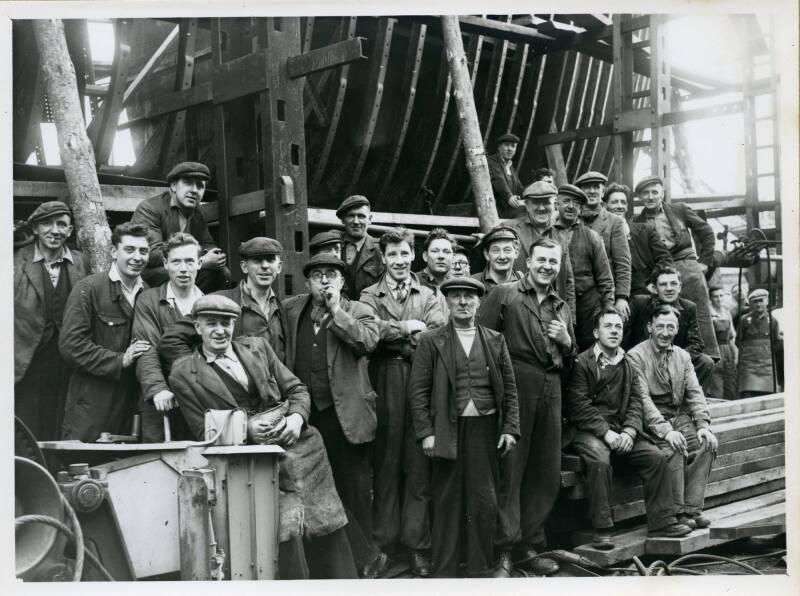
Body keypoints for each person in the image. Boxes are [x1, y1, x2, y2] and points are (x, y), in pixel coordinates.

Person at [167, 295, 356, 579]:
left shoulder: (257, 347)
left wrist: (296, 418)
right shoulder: (183, 373)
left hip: (301, 449)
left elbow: (297, 389)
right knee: (284, 525)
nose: (220, 331)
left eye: (226, 323)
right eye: (211, 324)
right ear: (198, 327)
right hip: (252, 462)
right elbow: (201, 429)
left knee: (326, 520)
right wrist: (246, 429)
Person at [281, 253, 388, 579]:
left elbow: (367, 342)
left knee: (353, 490)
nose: (324, 281)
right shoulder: (292, 310)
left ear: (342, 282)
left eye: (331, 275)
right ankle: (343, 563)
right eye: (317, 275)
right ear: (307, 282)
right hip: (308, 418)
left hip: (348, 416)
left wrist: (336, 311)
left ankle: (366, 561)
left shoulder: (360, 310)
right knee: (317, 492)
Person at [409, 277, 519, 578]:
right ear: (447, 302)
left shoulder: (495, 340)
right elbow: (418, 392)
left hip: (486, 428)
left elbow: (509, 388)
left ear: (478, 303)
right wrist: (426, 433)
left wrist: (510, 428)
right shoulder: (431, 341)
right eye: (456, 297)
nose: (462, 302)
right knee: (447, 499)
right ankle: (444, 571)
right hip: (447, 428)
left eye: (469, 297)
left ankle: (480, 569)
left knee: (484, 500)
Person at [479, 237, 576, 577]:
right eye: (542, 260)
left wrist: (567, 341)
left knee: (545, 470)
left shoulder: (561, 306)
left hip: (552, 387)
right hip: (516, 384)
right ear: (529, 260)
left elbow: (571, 360)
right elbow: (483, 343)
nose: (547, 266)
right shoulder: (504, 294)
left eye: (554, 261)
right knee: (512, 468)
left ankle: (529, 545)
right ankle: (503, 549)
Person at [564, 310, 692, 549]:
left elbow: (636, 403)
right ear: (595, 332)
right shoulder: (582, 363)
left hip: (622, 430)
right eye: (608, 326)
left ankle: (662, 522)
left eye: (618, 327)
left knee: (655, 457)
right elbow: (578, 406)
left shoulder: (628, 363)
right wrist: (606, 433)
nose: (614, 331)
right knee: (600, 460)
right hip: (590, 431)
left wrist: (630, 432)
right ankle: (602, 528)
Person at [359, 227, 446, 577]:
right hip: (384, 381)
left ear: (414, 255)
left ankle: (417, 545)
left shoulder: (429, 294)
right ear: (383, 257)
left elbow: (437, 333)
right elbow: (369, 332)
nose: (399, 260)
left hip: (422, 381)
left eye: (404, 253)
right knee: (387, 463)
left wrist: (396, 336)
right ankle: (385, 544)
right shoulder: (369, 293)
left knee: (418, 465)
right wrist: (408, 327)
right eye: (392, 254)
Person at [60, 222, 152, 442]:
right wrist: (121, 360)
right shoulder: (89, 288)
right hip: (92, 402)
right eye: (129, 250)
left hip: (133, 404)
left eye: (143, 251)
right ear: (113, 252)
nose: (137, 257)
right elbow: (71, 346)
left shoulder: (149, 294)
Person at [628, 305, 718, 530]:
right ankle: (677, 513)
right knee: (675, 447)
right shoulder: (635, 356)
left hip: (678, 415)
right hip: (652, 422)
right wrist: (666, 431)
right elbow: (642, 400)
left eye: (671, 327)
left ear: (677, 329)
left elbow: (695, 393)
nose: (665, 332)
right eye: (660, 326)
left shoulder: (683, 356)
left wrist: (703, 424)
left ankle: (691, 509)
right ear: (650, 327)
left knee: (707, 444)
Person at [14, 201, 88, 440]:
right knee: (25, 422)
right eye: (47, 223)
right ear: (35, 229)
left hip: (67, 359)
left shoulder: (81, 262)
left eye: (61, 224)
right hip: (27, 357)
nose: (55, 230)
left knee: (60, 420)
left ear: (70, 230)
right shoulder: (15, 260)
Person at [631, 175, 720, 361]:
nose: (650, 197)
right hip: (660, 272)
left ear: (662, 193)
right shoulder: (637, 223)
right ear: (639, 197)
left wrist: (704, 261)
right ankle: (669, 359)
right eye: (645, 193)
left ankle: (707, 357)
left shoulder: (678, 210)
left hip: (686, 266)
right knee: (665, 314)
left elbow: (706, 231)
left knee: (699, 311)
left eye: (654, 192)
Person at [132, 233, 204, 442]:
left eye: (190, 261)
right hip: (160, 402)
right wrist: (158, 389)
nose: (183, 269)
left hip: (199, 401)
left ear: (199, 263)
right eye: (176, 262)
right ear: (165, 264)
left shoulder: (209, 303)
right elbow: (146, 348)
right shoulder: (150, 300)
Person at [131, 161, 229, 293]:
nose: (194, 190)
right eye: (188, 183)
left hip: (179, 267)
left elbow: (208, 244)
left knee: (222, 273)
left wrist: (215, 256)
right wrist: (199, 261)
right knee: (187, 273)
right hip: (149, 272)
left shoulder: (197, 213)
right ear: (173, 186)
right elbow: (152, 254)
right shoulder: (150, 208)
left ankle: (197, 310)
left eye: (200, 186)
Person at [624, 266, 715, 396]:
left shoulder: (688, 307)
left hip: (674, 361)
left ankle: (689, 402)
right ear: (654, 289)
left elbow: (696, 343)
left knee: (706, 362)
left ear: (680, 287)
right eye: (663, 284)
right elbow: (624, 336)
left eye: (673, 284)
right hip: (643, 360)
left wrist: (672, 359)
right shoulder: (639, 303)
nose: (669, 288)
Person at [553, 184, 615, 352]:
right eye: (566, 201)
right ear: (556, 204)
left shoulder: (592, 236)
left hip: (587, 308)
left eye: (576, 203)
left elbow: (605, 278)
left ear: (580, 208)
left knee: (587, 352)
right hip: (556, 304)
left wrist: (608, 308)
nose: (571, 206)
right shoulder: (547, 233)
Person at [216, 237, 289, 363]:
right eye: (257, 260)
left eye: (271, 260)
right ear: (244, 267)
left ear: (279, 267)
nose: (265, 266)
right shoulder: (220, 302)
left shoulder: (285, 309)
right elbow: (176, 338)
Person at [508, 181, 576, 316]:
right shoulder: (510, 230)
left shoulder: (561, 236)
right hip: (516, 310)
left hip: (552, 312)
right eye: (535, 203)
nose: (541, 208)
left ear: (555, 204)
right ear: (527, 206)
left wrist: (570, 318)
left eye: (546, 202)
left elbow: (568, 280)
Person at [575, 172, 632, 322]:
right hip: (575, 295)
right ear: (580, 191)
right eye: (587, 187)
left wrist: (621, 297)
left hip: (603, 296)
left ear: (603, 191)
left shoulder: (615, 222)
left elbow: (623, 263)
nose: (592, 191)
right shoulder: (572, 219)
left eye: (596, 187)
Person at [736, 288, 783, 398]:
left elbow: (776, 341)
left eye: (761, 301)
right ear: (751, 304)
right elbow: (738, 341)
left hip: (767, 364)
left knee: (769, 395)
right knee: (748, 393)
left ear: (767, 301)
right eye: (755, 301)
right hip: (749, 364)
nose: (758, 304)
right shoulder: (744, 320)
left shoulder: (772, 320)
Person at [337, 195, 385, 298]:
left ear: (370, 219)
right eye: (351, 215)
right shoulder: (332, 246)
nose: (356, 221)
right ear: (343, 219)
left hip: (369, 310)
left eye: (361, 216)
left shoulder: (381, 250)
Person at [471, 225, 525, 294]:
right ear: (487, 254)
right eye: (496, 250)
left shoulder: (526, 284)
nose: (502, 256)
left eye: (507, 250)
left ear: (516, 253)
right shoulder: (473, 283)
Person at [708, 285, 738, 400]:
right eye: (715, 297)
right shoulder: (708, 313)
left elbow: (731, 336)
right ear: (711, 298)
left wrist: (735, 354)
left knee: (730, 381)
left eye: (721, 296)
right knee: (717, 382)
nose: (719, 299)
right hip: (714, 350)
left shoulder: (726, 312)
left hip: (727, 350)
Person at [487, 133, 525, 219]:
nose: (510, 149)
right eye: (506, 145)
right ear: (499, 147)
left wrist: (533, 195)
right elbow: (498, 179)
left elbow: (520, 188)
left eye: (513, 146)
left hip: (505, 209)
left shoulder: (510, 166)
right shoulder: (492, 161)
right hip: (493, 210)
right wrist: (509, 197)